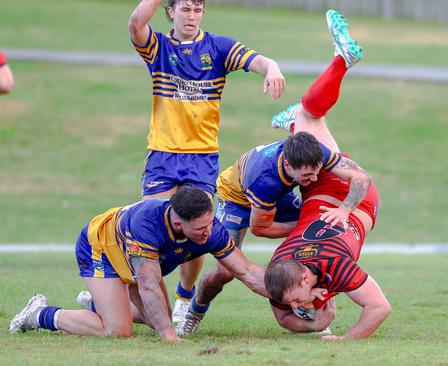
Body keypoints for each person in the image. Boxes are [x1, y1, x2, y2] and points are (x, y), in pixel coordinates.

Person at [177, 9, 389, 340]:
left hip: (300, 203)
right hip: (241, 198)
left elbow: (362, 178)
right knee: (224, 272)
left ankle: (305, 108)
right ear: (289, 168)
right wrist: (304, 225)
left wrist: (343, 210)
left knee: (310, 113)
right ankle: (193, 310)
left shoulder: (312, 159)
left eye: (315, 172)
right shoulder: (266, 181)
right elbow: (261, 228)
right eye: (306, 177)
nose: (312, 179)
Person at [128, 0, 286, 322]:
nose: (192, 16)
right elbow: (135, 24)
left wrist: (272, 67)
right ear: (170, 11)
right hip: (163, 154)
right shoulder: (158, 47)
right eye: (185, 9)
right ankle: (131, 296)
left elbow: (257, 59)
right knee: (148, 229)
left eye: (198, 10)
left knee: (197, 231)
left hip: (201, 158)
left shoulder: (217, 48)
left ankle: (183, 301)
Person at [9, 186, 268, 342]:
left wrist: (289, 296)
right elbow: (147, 284)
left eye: (210, 223)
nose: (209, 232)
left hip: (134, 261)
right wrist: (169, 337)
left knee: (160, 317)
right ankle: (39, 315)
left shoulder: (210, 229)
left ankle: (98, 303)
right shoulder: (147, 226)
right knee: (119, 331)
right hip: (101, 248)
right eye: (201, 228)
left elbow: (246, 270)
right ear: (178, 224)